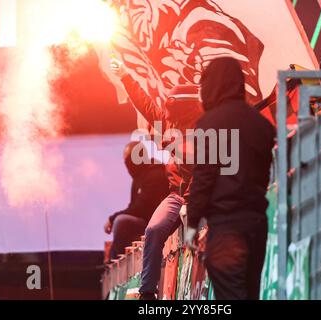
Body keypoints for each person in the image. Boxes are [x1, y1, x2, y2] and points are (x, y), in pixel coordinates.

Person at [110, 58, 203, 300]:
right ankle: (147, 292)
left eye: (171, 104)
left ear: (183, 107)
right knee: (153, 229)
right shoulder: (170, 124)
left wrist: (192, 203)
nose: (166, 110)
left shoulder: (206, 129)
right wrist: (125, 76)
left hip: (201, 196)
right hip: (176, 197)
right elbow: (146, 105)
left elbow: (201, 165)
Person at [185, 57, 275, 300]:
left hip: (227, 228)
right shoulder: (261, 125)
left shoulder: (210, 123)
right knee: (249, 293)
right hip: (257, 225)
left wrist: (192, 223)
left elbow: (204, 177)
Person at [105, 142, 169, 260]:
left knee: (121, 222)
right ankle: (114, 262)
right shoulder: (137, 179)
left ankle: (117, 260)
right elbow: (133, 206)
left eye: (128, 161)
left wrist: (113, 218)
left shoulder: (155, 174)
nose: (127, 166)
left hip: (156, 223)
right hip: (145, 223)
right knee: (122, 222)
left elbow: (141, 208)